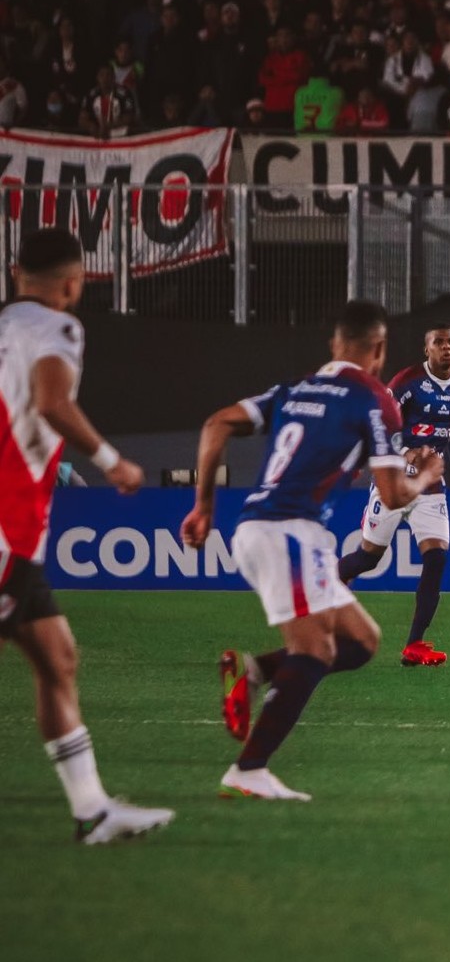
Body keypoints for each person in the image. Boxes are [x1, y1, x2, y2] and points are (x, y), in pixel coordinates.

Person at [182, 301, 443, 801]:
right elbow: (392, 495)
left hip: (267, 528)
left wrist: (202, 507)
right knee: (316, 649)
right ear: (379, 350)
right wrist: (427, 476)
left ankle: (252, 671)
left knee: (361, 642)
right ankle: (249, 770)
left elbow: (216, 424)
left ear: (334, 344)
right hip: (288, 532)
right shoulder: (374, 398)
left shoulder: (294, 389)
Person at [0, 228, 173, 844]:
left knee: (58, 657)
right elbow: (51, 401)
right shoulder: (57, 330)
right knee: (54, 658)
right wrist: (111, 459)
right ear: (75, 284)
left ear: (16, 270)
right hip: (4, 530)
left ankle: (92, 810)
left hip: (15, 538)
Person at [336, 325, 450, 666]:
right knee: (368, 558)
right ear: (426, 349)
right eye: (438, 342)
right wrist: (391, 454)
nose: (446, 347)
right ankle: (327, 580)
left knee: (437, 557)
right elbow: (380, 421)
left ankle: (415, 644)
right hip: (394, 481)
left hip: (431, 486)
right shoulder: (408, 381)